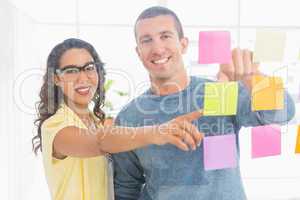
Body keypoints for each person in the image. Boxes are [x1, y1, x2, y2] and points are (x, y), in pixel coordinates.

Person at [111, 6, 295, 200]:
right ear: (138, 52)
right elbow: (126, 187)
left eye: (165, 36)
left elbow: (284, 112)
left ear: (183, 44)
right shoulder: (130, 116)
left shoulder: (219, 93)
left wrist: (253, 79)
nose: (157, 49)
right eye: (147, 40)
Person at [31, 38, 204, 200]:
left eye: (89, 68)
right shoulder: (55, 126)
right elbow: (100, 142)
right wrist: (157, 133)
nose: (83, 78)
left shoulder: (98, 122)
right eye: (71, 71)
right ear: (56, 78)